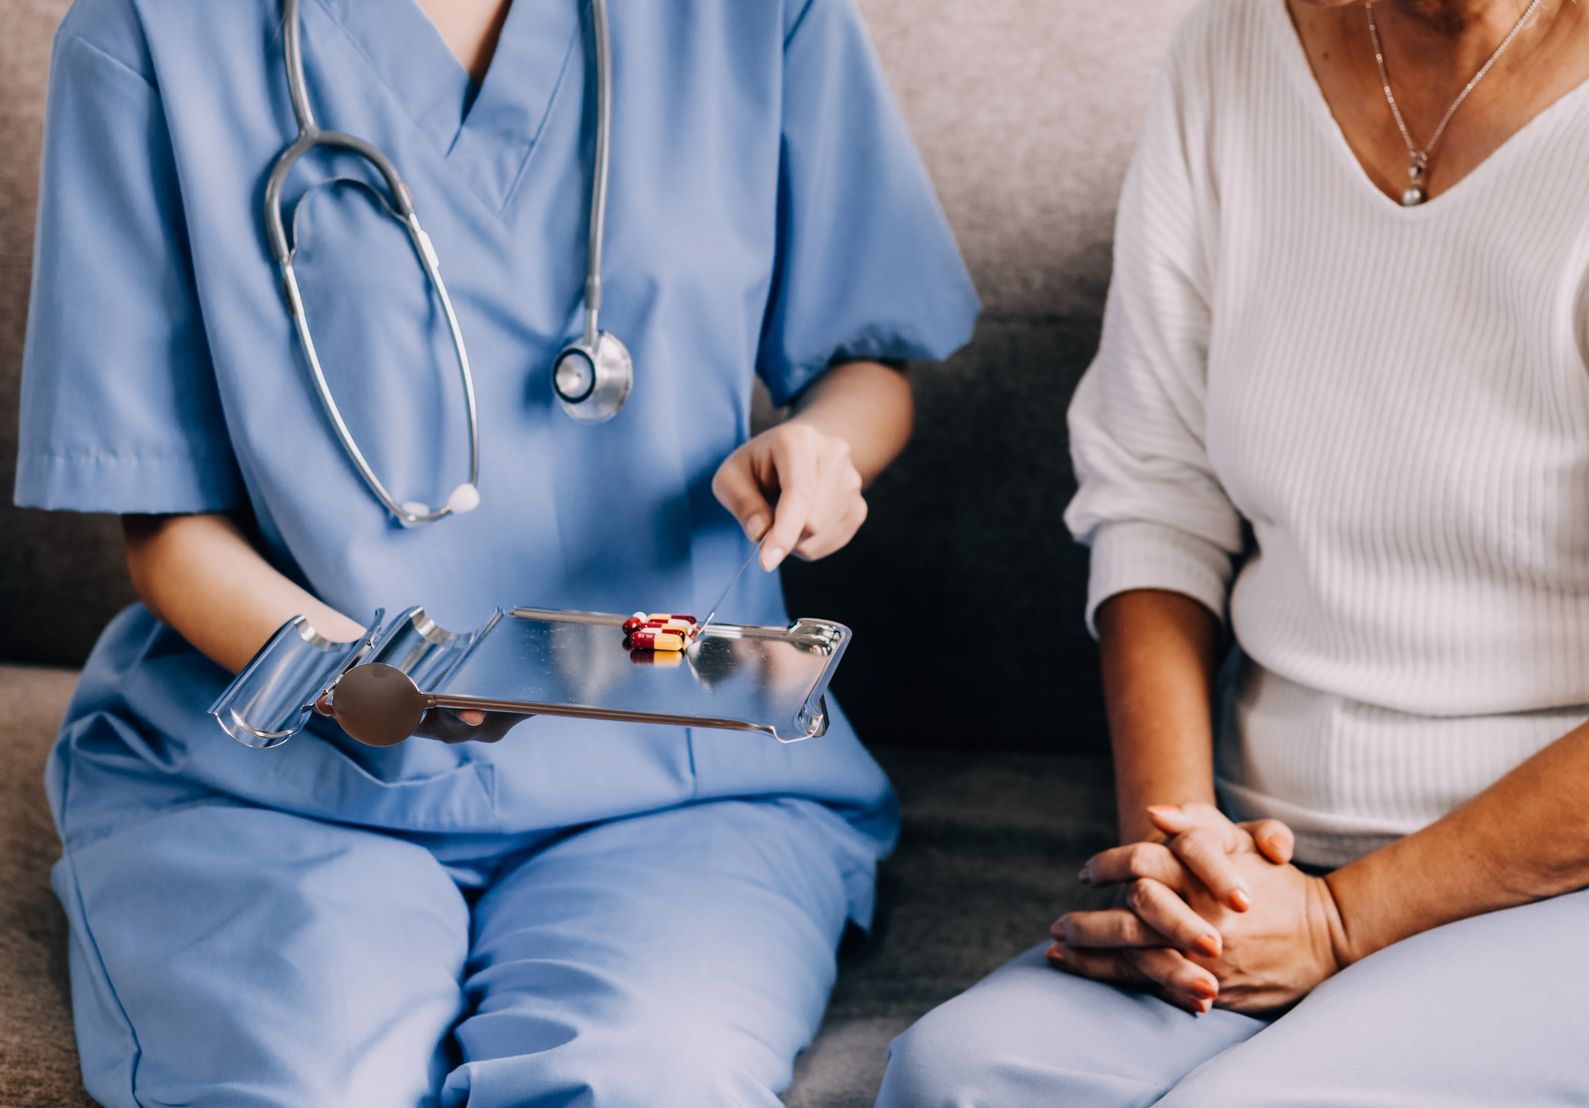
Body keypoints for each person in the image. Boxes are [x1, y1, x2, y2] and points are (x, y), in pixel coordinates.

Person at [878, 0, 1589, 1104]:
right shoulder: (1232, 48)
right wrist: (1185, 863)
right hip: (1275, 854)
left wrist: (1340, 920)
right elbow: (1153, 500)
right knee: (959, 1079)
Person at [13, 0, 976, 1102]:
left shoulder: (764, 18)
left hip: (685, 753)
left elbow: (868, 362)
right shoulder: (149, 34)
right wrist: (371, 687)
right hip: (281, 774)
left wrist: (821, 452)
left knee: (645, 1082)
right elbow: (169, 531)